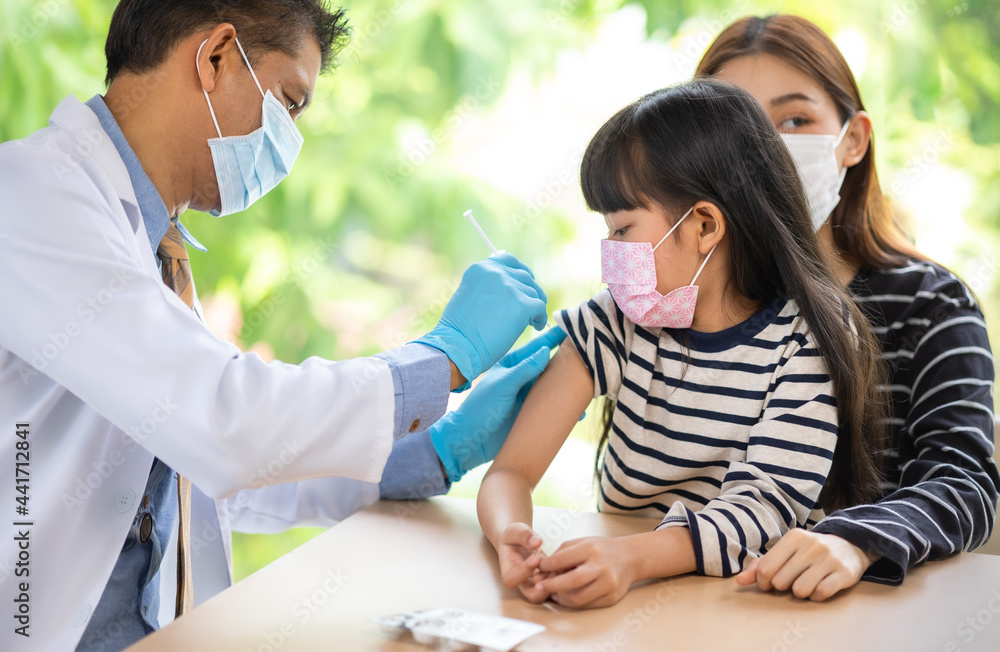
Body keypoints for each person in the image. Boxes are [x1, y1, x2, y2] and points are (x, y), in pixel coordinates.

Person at [0, 2, 562, 650]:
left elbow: (202, 467)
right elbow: (227, 423)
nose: (290, 141)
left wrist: (431, 451)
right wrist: (444, 357)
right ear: (215, 57)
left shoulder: (151, 245)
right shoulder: (33, 198)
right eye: (290, 103)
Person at [476, 79, 890, 609]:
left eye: (623, 229)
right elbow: (511, 472)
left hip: (752, 610)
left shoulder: (807, 336)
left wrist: (630, 559)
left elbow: (762, 509)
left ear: (703, 225)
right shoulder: (612, 323)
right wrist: (511, 534)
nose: (609, 251)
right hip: (628, 600)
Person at [696, 14, 999, 601]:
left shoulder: (932, 305)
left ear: (852, 140)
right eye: (742, 127)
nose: (769, 149)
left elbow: (963, 482)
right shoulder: (680, 307)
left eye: (795, 120)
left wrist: (855, 540)